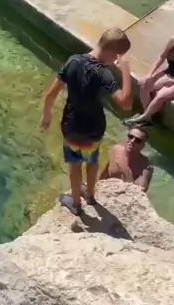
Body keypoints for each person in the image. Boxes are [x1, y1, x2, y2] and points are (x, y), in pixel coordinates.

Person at [40, 28, 133, 215]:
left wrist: (47, 115)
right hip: (93, 130)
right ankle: (90, 196)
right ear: (113, 52)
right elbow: (126, 104)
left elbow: (51, 94)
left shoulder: (73, 61)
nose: (116, 61)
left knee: (74, 166)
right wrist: (125, 72)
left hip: (71, 127)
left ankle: (76, 204)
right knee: (92, 161)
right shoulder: (104, 74)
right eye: (117, 56)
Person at [124, 24, 174, 127]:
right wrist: (149, 74)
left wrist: (172, 82)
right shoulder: (173, 41)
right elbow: (161, 57)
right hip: (169, 72)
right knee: (145, 85)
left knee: (161, 95)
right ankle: (147, 116)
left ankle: (143, 118)